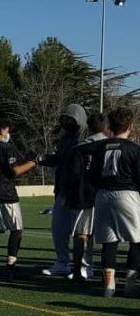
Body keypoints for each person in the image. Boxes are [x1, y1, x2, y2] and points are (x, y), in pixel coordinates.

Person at [87, 107, 140, 298]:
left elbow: (91, 175)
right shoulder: (134, 149)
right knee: (137, 241)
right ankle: (130, 285)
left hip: (103, 195)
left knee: (109, 242)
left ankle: (109, 286)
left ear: (110, 127)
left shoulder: (101, 147)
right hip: (127, 194)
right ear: (130, 127)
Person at [0, 120, 37, 279]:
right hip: (5, 193)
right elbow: (14, 171)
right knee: (17, 229)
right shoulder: (6, 147)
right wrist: (33, 163)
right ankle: (11, 266)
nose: (8, 133)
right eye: (7, 130)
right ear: (2, 130)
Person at [38, 104, 87, 277]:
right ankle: (62, 262)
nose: (66, 122)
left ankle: (83, 266)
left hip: (80, 193)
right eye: (64, 119)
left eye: (70, 119)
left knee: (82, 231)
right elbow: (58, 159)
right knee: (59, 228)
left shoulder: (85, 137)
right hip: (62, 191)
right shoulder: (65, 139)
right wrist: (43, 159)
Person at [62, 112, 109, 281]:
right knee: (107, 236)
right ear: (106, 127)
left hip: (82, 195)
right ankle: (106, 272)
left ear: (89, 127)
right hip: (105, 194)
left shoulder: (78, 148)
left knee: (81, 234)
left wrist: (68, 194)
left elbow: (72, 175)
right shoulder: (110, 145)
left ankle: (77, 270)